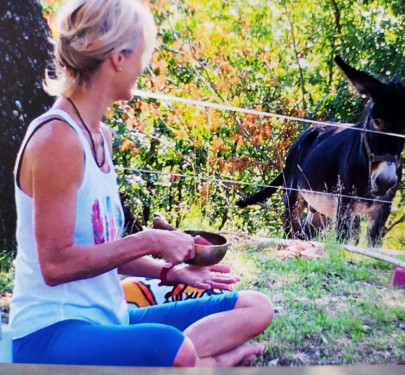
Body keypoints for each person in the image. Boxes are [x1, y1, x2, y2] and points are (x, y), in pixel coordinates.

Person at [9, 0, 273, 367]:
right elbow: (56, 266)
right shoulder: (58, 139)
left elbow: (103, 252)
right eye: (142, 54)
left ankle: (186, 362)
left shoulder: (99, 135)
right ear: (118, 58)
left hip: (110, 320)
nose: (143, 67)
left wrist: (171, 271)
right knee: (173, 347)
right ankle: (204, 364)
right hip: (51, 334)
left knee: (255, 306)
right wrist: (152, 240)